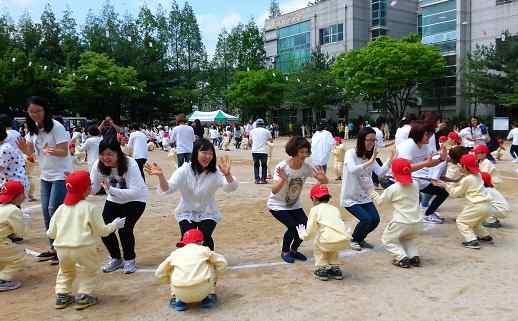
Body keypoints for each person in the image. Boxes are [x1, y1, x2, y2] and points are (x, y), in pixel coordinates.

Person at [47, 171, 126, 310]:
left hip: (61, 248)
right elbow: (102, 231)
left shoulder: (61, 209)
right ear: (87, 189)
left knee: (65, 271)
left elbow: (51, 233)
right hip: (83, 246)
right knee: (90, 270)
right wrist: (115, 225)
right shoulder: (90, 208)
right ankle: (84, 295)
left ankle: (62, 295)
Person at [146, 139, 238, 251]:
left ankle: (208, 261)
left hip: (208, 211)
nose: (208, 156)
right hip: (186, 211)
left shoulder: (215, 172)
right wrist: (161, 176)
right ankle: (187, 263)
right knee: (188, 238)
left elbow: (230, 187)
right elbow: (168, 188)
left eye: (210, 153)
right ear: (195, 153)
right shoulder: (184, 170)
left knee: (204, 237)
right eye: (204, 152)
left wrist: (227, 174)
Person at [16, 96, 70, 264]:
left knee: (55, 209)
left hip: (61, 174)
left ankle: (62, 249)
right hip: (45, 175)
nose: (35, 114)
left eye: (38, 111)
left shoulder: (56, 127)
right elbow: (31, 153)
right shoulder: (32, 129)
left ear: (45, 110)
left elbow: (64, 152)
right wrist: (26, 151)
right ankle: (53, 247)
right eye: (32, 111)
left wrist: (50, 150)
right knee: (47, 212)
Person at [90, 139, 148, 274]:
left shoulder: (130, 163)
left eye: (109, 154)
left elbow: (136, 191)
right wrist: (79, 185)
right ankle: (116, 258)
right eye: (102, 154)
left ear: (118, 153)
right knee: (104, 229)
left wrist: (111, 190)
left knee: (124, 229)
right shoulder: (98, 165)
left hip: (135, 200)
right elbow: (94, 189)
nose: (105, 158)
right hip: (114, 200)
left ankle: (129, 259)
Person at [267, 136, 328, 263]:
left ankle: (294, 250)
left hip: (294, 204)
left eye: (306, 152)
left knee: (304, 227)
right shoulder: (283, 167)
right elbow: (274, 190)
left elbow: (324, 182)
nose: (304, 155)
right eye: (301, 152)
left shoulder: (306, 167)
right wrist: (284, 179)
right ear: (293, 151)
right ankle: (285, 251)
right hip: (277, 204)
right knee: (293, 227)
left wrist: (322, 178)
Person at [340, 127, 394, 251]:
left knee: (375, 220)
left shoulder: (370, 156)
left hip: (364, 196)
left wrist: (390, 160)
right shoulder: (351, 153)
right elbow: (352, 169)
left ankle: (360, 238)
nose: (371, 143)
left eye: (374, 140)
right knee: (366, 219)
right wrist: (370, 160)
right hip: (350, 196)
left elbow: (380, 172)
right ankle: (354, 239)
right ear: (361, 140)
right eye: (368, 140)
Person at [155, 229, 228, 312]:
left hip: (180, 292)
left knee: (172, 270)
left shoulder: (175, 253)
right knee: (210, 263)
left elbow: (159, 273)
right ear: (201, 242)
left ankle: (178, 301)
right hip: (202, 291)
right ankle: (207, 299)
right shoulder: (205, 250)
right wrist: (217, 274)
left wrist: (169, 281)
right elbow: (222, 263)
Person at [369, 159, 423, 268]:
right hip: (417, 221)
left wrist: (372, 192)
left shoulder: (393, 188)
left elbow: (380, 202)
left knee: (388, 239)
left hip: (401, 221)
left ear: (393, 173)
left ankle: (401, 258)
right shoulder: (416, 184)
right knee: (407, 239)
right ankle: (414, 256)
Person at [434, 154, 493, 249]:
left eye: (461, 165)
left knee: (462, 221)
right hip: (487, 205)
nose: (459, 166)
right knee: (475, 222)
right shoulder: (478, 175)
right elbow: (466, 185)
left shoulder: (467, 179)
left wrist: (445, 186)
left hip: (476, 205)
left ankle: (471, 240)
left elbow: (455, 193)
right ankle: (484, 235)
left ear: (465, 167)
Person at [395, 122, 449, 224]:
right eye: (426, 134)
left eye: (430, 134)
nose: (429, 137)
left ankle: (428, 214)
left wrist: (441, 159)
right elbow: (403, 169)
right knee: (411, 205)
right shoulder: (408, 146)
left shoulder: (424, 146)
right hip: (402, 179)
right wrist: (426, 163)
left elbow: (428, 163)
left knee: (443, 192)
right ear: (418, 134)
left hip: (418, 179)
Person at [295, 184, 350, 281]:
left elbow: (310, 230)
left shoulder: (315, 209)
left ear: (314, 198)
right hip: (344, 240)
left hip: (327, 242)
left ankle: (322, 268)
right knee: (332, 238)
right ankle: (335, 269)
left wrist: (303, 235)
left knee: (318, 241)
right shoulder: (334, 209)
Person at [0, 181, 26, 292]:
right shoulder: (14, 210)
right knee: (19, 255)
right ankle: (2, 279)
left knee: (4, 255)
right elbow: (19, 233)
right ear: (19, 196)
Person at [0, 125, 28, 192]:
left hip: (13, 183)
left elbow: (1, 168)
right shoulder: (16, 133)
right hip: (9, 182)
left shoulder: (4, 149)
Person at [249, 119, 273, 184]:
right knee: (264, 165)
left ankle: (257, 179)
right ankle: (263, 180)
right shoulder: (267, 131)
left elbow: (250, 141)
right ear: (263, 124)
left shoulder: (252, 131)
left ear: (256, 124)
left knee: (256, 165)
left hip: (255, 150)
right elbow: (271, 140)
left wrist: (254, 145)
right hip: (263, 151)